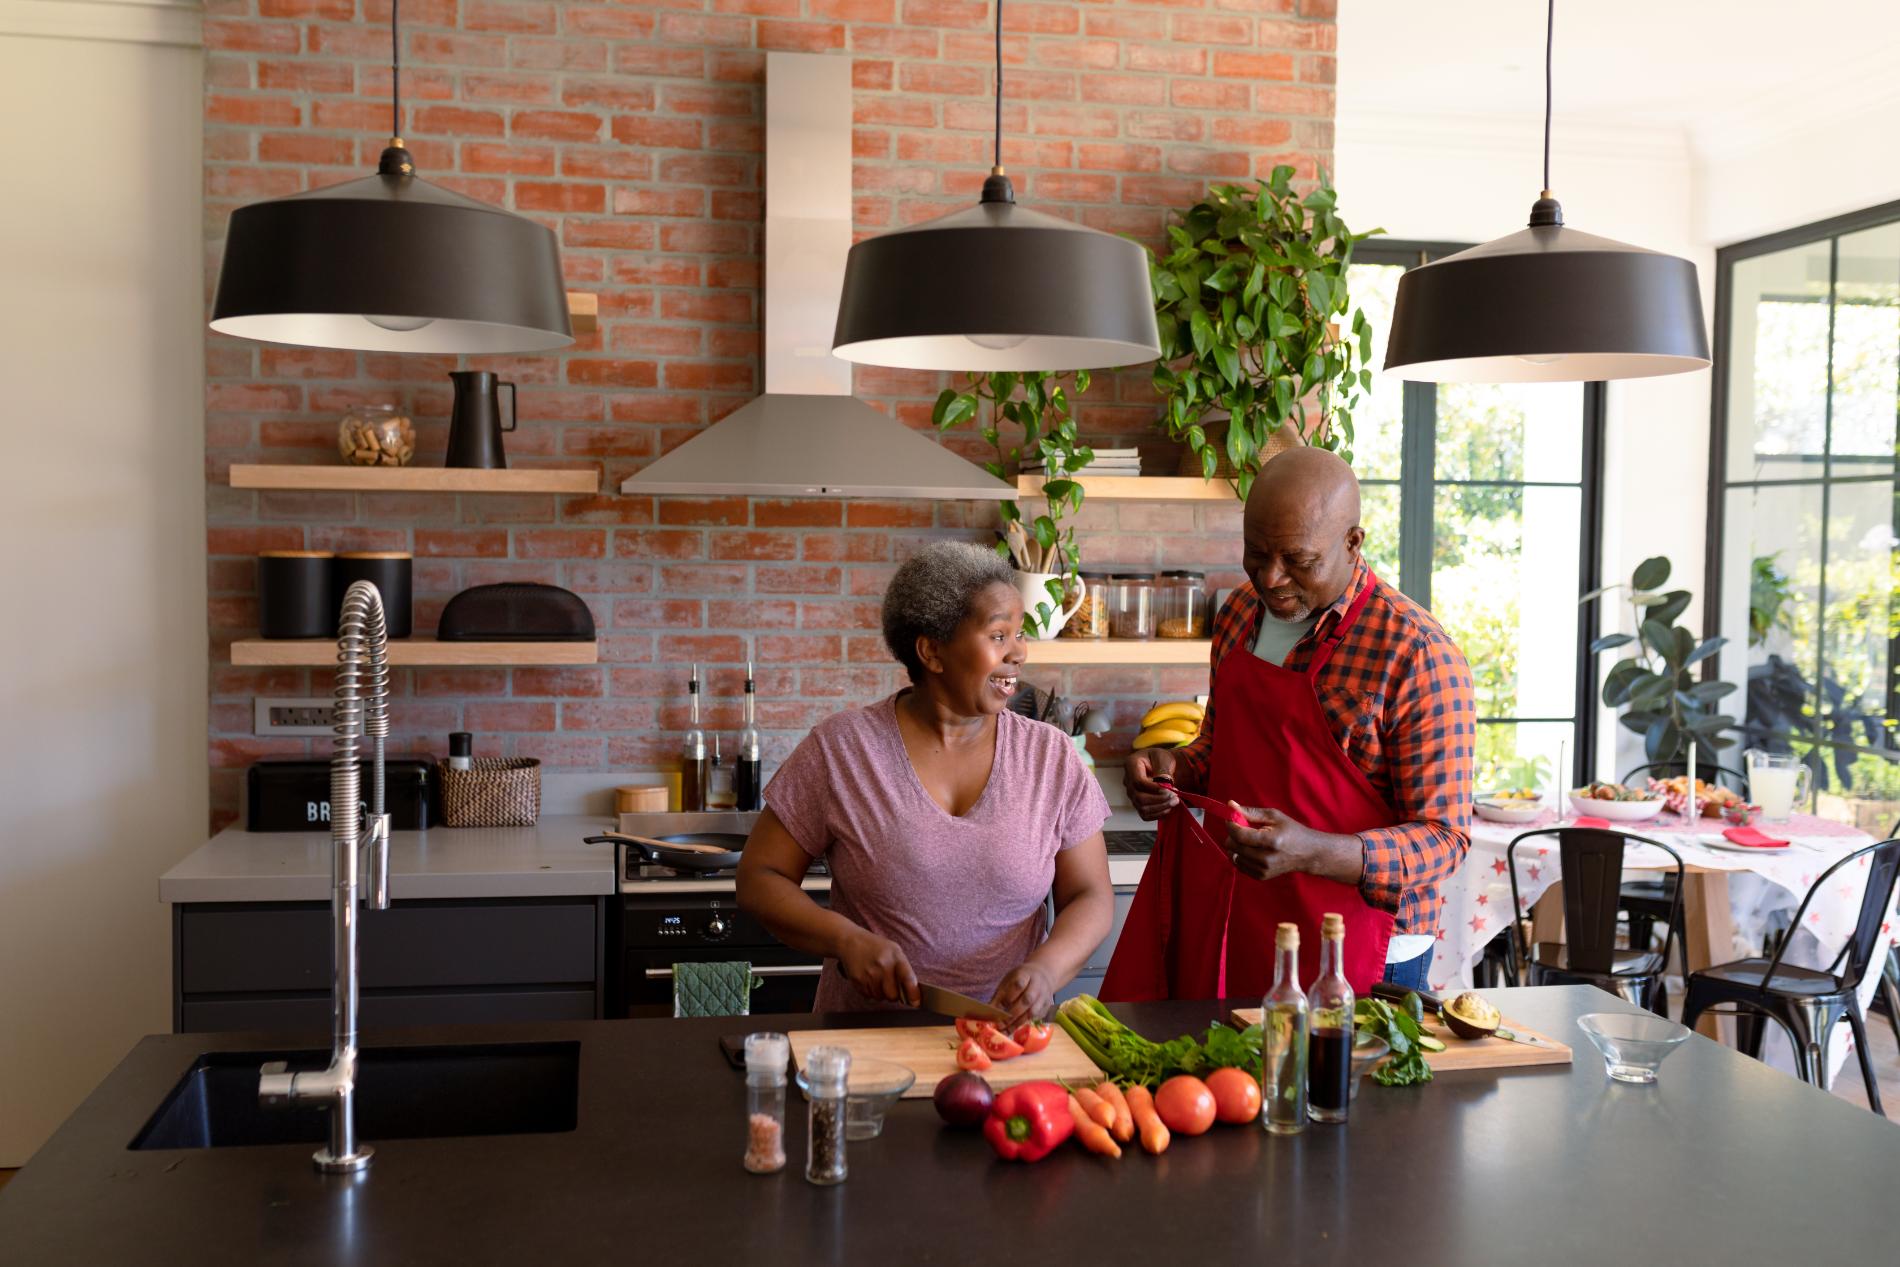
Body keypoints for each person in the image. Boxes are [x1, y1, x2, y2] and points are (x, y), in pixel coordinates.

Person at [1103, 447, 1474, 999]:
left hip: (1360, 944)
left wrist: (1312, 851)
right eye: (1256, 554)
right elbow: (1225, 750)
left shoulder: (1417, 653)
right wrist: (1176, 767)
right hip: (1243, 914)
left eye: (1298, 559)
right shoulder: (1237, 615)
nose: (1271, 578)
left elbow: (1444, 839)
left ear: (1352, 543)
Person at [737, 541, 1114, 1026]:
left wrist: (1047, 968)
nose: (1019, 652)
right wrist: (844, 939)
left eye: (1019, 635)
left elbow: (1091, 895)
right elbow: (758, 878)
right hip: (867, 1040)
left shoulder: (1050, 756)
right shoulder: (843, 750)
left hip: (1004, 1041)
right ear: (932, 651)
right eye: (999, 635)